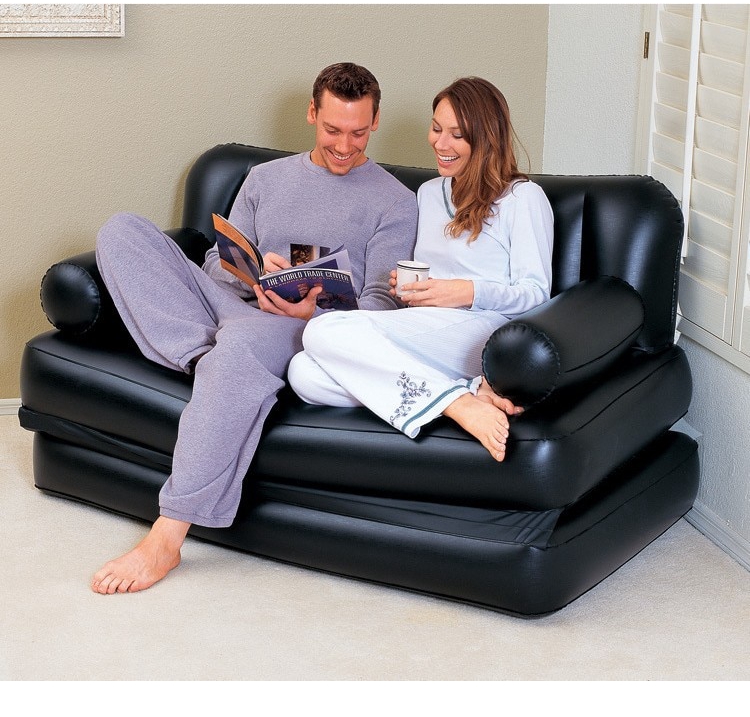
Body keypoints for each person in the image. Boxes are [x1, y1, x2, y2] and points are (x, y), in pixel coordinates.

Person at [90, 63, 418, 594]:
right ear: (312, 114)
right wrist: (256, 272)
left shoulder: (396, 202)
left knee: (243, 341)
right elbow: (216, 263)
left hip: (300, 331)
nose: (344, 146)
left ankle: (167, 538)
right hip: (233, 304)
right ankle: (209, 360)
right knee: (121, 231)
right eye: (333, 130)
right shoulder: (265, 178)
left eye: (358, 133)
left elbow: (382, 305)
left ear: (375, 121)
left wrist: (311, 314)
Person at [288, 77, 554, 461]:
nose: (441, 144)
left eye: (457, 135)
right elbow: (430, 278)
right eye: (436, 129)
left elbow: (536, 293)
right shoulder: (429, 193)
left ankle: (457, 402)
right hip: (426, 326)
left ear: (486, 139)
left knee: (321, 330)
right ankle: (459, 395)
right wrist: (409, 288)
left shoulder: (522, 198)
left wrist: (465, 291)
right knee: (304, 374)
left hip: (484, 330)